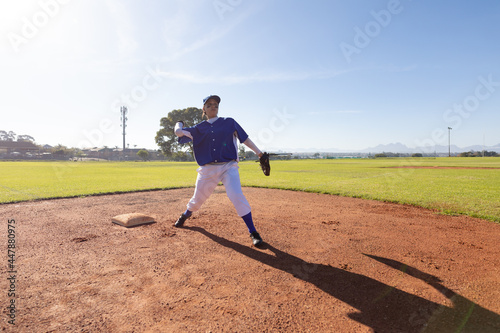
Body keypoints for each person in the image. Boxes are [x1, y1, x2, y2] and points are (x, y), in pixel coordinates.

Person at [173, 95, 265, 247]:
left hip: (228, 167)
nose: (213, 106)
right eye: (209, 105)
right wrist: (179, 124)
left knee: (236, 195)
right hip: (207, 170)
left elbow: (245, 139)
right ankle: (185, 215)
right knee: (197, 200)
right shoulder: (198, 129)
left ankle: (253, 231)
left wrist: (259, 153)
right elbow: (179, 133)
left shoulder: (229, 122)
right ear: (204, 109)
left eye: (215, 104)